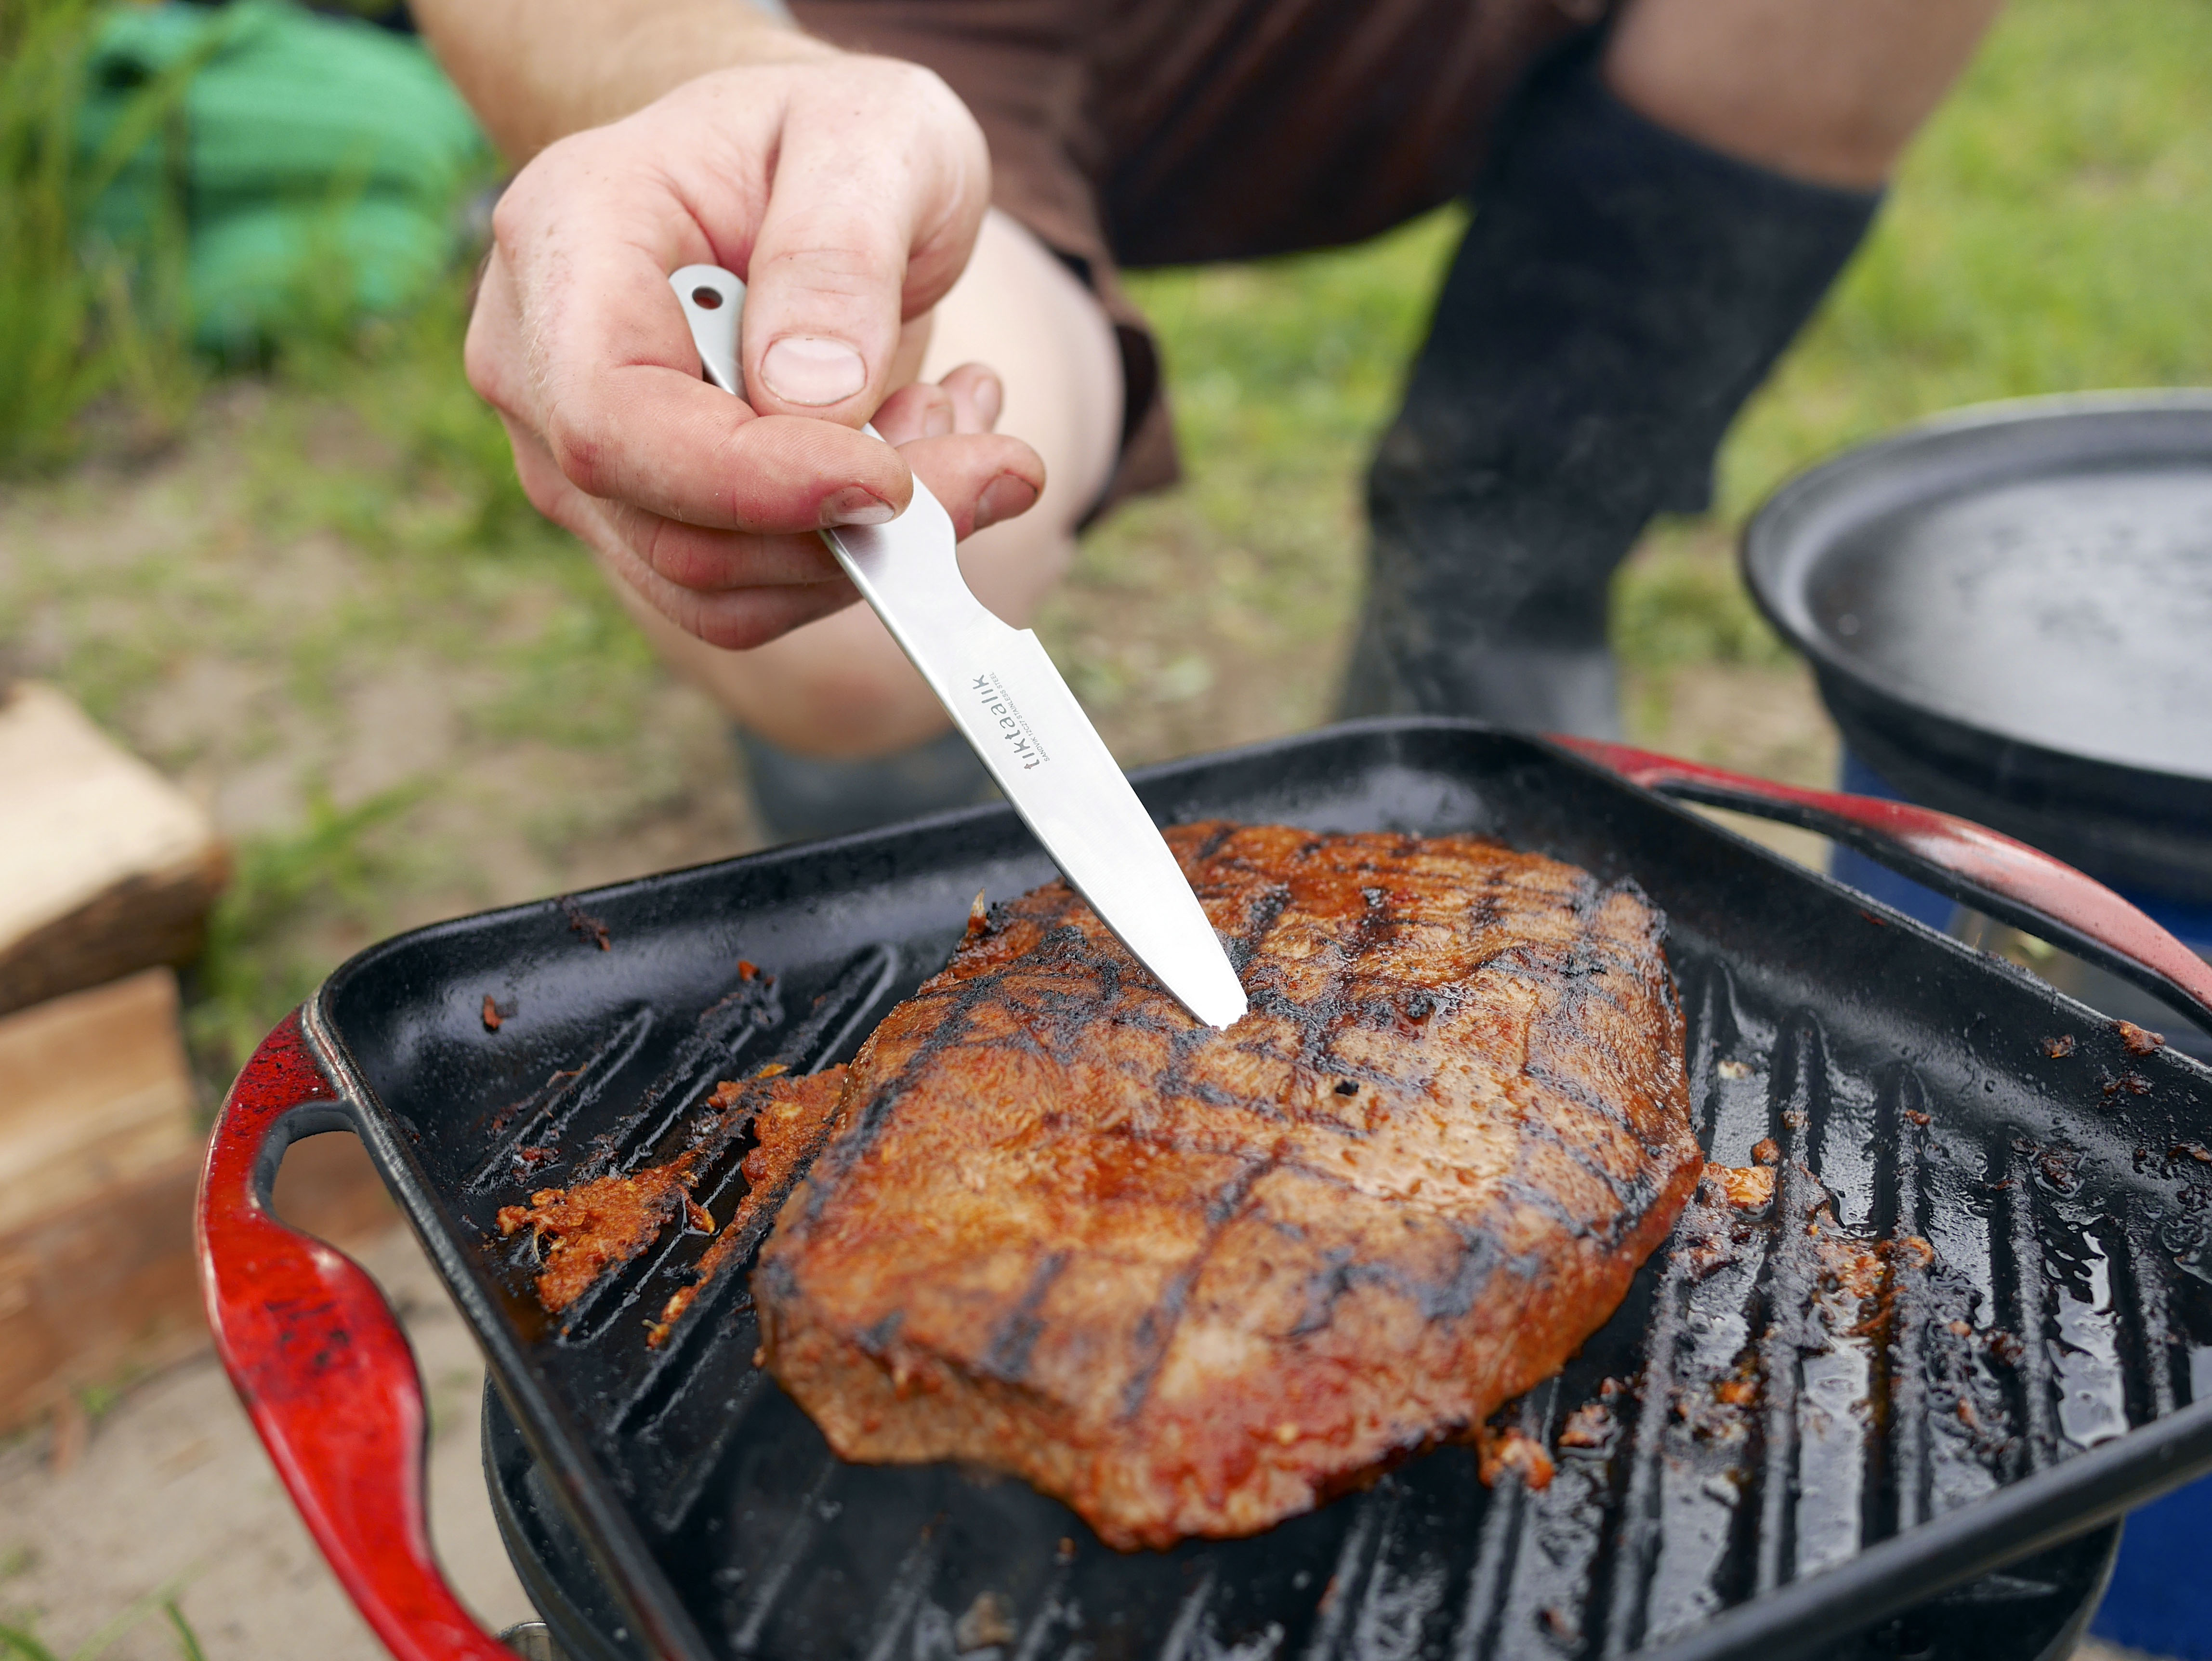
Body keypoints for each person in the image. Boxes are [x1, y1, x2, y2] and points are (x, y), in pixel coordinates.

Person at [411, 0, 2002, 840]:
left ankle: (1489, 616)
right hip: (895, 34)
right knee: (856, 615)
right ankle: (903, 857)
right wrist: (701, 73)